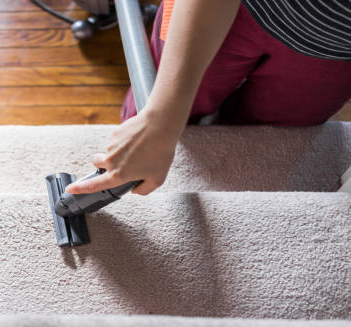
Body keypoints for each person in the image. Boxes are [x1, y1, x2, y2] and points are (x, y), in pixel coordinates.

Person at [66, 0, 351, 196]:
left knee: (265, 143)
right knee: (150, 109)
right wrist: (161, 119)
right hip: (220, 9)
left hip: (337, 52)